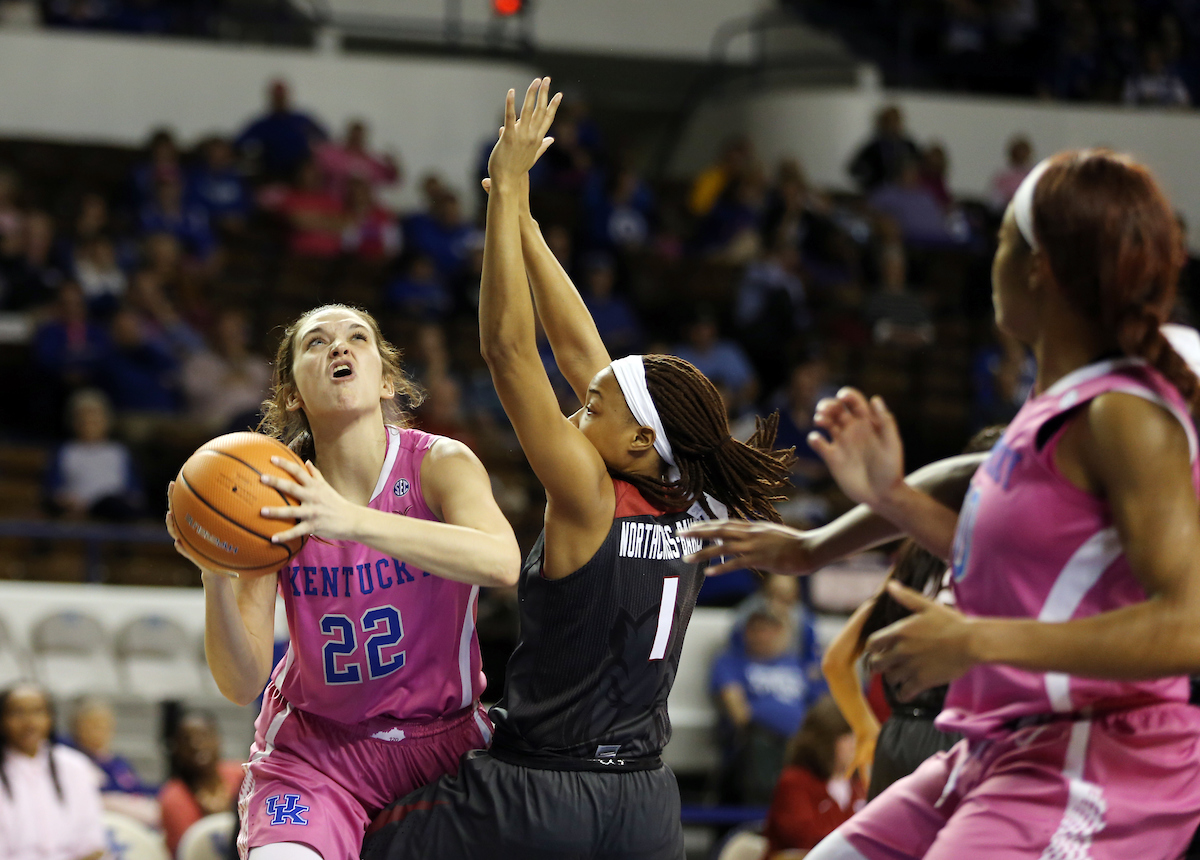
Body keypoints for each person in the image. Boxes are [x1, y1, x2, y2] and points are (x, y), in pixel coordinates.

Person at [700, 150, 1200, 859]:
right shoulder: (1047, 408)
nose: (986, 262)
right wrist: (866, 511)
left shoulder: (1126, 413)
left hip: (1097, 759)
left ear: (1038, 267)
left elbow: (1188, 627)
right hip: (992, 746)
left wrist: (977, 640)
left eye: (999, 243)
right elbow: (975, 509)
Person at [363, 77, 795, 860]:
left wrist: (505, 200)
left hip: (537, 795)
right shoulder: (686, 488)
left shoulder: (591, 494)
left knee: (348, 832)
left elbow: (509, 352)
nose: (576, 411)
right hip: (645, 805)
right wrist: (521, 215)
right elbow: (581, 357)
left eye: (592, 412)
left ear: (636, 445)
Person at [164, 300, 520, 860]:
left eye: (357, 337)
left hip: (446, 743)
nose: (339, 346)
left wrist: (351, 520)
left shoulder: (439, 464)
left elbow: (502, 561)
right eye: (316, 341)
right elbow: (240, 682)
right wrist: (215, 576)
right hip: (316, 752)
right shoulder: (269, 494)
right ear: (291, 394)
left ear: (386, 379)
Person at [711, 605, 826, 804]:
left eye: (769, 629)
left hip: (800, 740)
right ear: (745, 632)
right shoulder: (730, 662)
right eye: (755, 629)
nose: (762, 635)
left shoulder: (797, 665)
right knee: (759, 743)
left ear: (782, 633)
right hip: (758, 740)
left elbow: (823, 708)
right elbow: (739, 714)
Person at [0, 683, 105, 860]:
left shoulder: (74, 766)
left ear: (50, 718)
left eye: (38, 712)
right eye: (17, 713)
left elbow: (92, 844)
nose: (30, 723)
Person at [763, 697, 865, 858]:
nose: (855, 744)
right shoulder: (794, 782)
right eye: (846, 735)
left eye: (856, 735)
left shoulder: (859, 785)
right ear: (825, 739)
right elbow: (805, 839)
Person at [158, 712, 242, 856]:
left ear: (218, 739)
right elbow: (188, 852)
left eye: (204, 736)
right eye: (187, 740)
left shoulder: (242, 774)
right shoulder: (173, 797)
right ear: (177, 749)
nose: (196, 744)